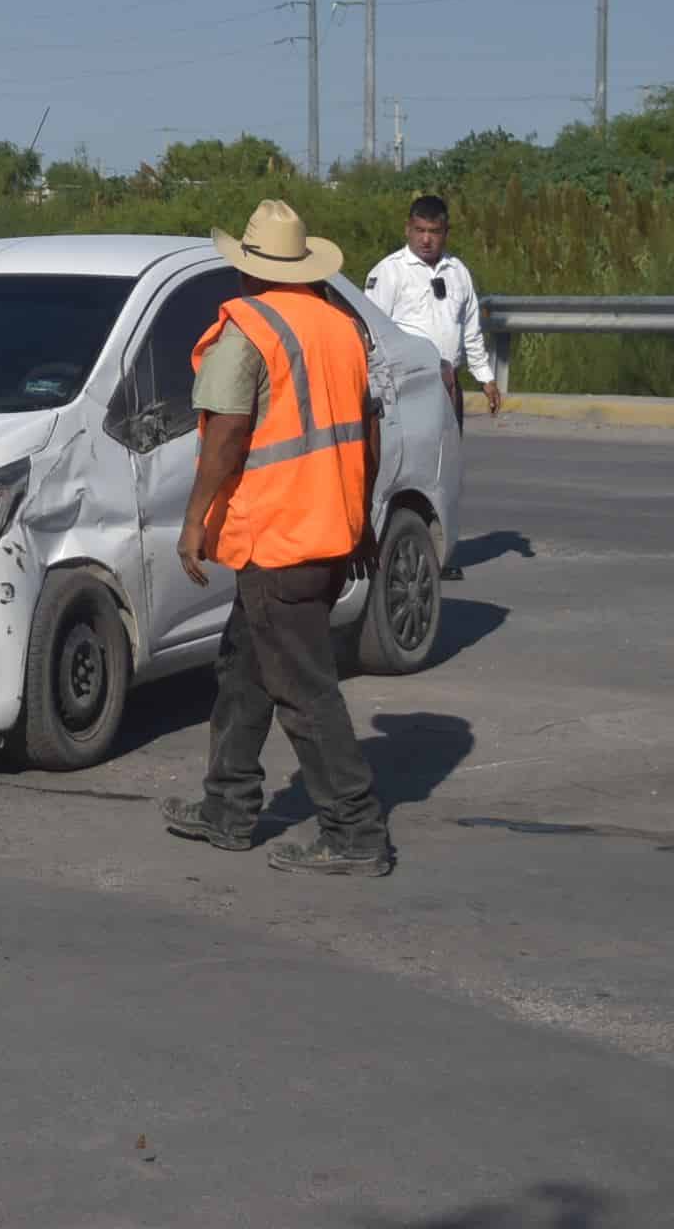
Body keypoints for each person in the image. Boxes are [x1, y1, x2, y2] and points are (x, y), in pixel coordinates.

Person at [159, 199, 393, 876]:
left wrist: (195, 519)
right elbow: (366, 435)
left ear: (248, 271)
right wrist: (364, 520)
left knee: (302, 687)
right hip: (328, 532)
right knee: (244, 668)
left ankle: (354, 831)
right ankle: (227, 807)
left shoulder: (247, 330)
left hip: (278, 536)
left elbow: (227, 436)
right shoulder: (343, 329)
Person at [363, 195, 503, 429]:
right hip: (406, 385)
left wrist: (485, 378)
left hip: (448, 383)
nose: (426, 239)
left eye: (434, 232)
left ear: (446, 232)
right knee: (413, 460)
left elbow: (471, 333)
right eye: (419, 230)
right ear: (408, 229)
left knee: (447, 457)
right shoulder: (389, 272)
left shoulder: (458, 272)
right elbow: (371, 334)